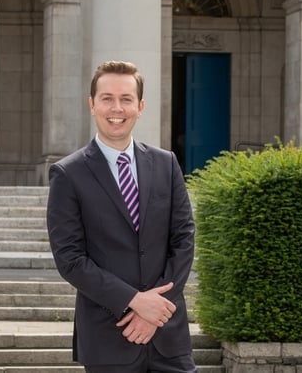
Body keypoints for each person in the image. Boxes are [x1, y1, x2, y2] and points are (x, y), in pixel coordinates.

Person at [46, 61, 197, 372]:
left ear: (140, 106)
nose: (117, 108)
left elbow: (183, 239)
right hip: (109, 337)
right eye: (107, 98)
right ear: (92, 105)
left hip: (168, 334)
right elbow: (70, 259)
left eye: (126, 99)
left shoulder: (166, 163)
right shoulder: (68, 174)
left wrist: (155, 311)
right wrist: (134, 301)